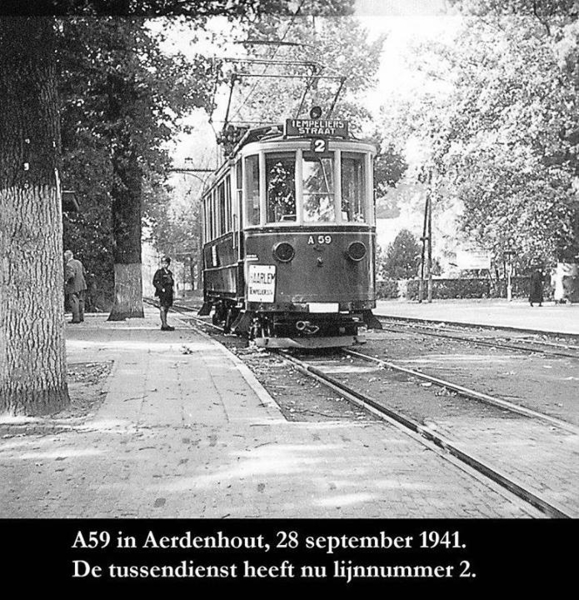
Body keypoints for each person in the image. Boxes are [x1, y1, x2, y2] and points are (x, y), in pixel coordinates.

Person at [64, 250, 87, 323]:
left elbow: (71, 275)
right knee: (80, 301)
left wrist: (65, 280)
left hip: (73, 285)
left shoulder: (69, 265)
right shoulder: (79, 262)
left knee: (74, 302)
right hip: (82, 284)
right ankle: (81, 317)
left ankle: (75, 319)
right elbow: (84, 272)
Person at [153, 256, 175, 331]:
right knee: (162, 307)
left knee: (167, 307)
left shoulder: (169, 273)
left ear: (168, 264)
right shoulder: (159, 272)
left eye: (166, 263)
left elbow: (172, 282)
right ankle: (164, 324)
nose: (164, 265)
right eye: (163, 263)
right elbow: (155, 282)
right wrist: (161, 288)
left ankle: (165, 323)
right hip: (162, 293)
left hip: (169, 292)